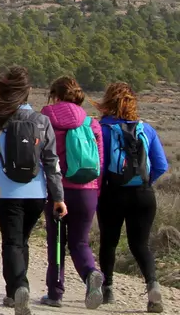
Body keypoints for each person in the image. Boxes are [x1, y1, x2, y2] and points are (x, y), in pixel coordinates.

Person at [0, 66, 67, 315]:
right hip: (37, 194)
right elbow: (52, 162)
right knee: (22, 241)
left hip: (6, 193)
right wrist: (58, 196)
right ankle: (16, 290)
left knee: (11, 243)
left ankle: (17, 288)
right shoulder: (42, 121)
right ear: (27, 93)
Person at [95, 82, 168, 314]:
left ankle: (107, 289)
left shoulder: (102, 129)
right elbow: (161, 165)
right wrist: (143, 182)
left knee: (109, 242)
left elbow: (99, 165)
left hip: (112, 193)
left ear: (107, 101)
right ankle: (153, 285)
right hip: (144, 195)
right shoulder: (146, 130)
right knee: (140, 245)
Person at [39, 77, 105, 310]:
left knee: (56, 242)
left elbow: (41, 154)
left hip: (58, 190)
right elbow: (100, 162)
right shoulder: (91, 123)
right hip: (87, 191)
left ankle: (55, 293)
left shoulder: (46, 116)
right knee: (80, 241)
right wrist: (95, 190)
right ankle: (90, 274)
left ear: (55, 95)